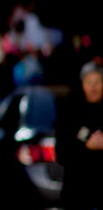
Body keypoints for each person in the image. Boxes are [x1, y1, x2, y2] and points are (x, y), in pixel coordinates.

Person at [56, 61, 103, 210]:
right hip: (77, 195)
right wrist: (86, 147)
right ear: (82, 84)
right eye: (89, 82)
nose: (93, 87)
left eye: (98, 82)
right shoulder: (70, 114)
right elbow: (61, 153)